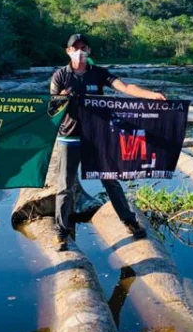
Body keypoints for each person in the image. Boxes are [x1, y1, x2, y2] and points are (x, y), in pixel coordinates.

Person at [50, 34, 167, 251]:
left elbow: (125, 87)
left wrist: (150, 95)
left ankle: (129, 221)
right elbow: (51, 107)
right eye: (75, 48)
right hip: (69, 137)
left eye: (83, 47)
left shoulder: (99, 73)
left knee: (110, 181)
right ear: (68, 51)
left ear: (89, 50)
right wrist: (62, 97)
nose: (79, 51)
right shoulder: (60, 76)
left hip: (97, 137)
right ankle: (61, 232)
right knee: (65, 187)